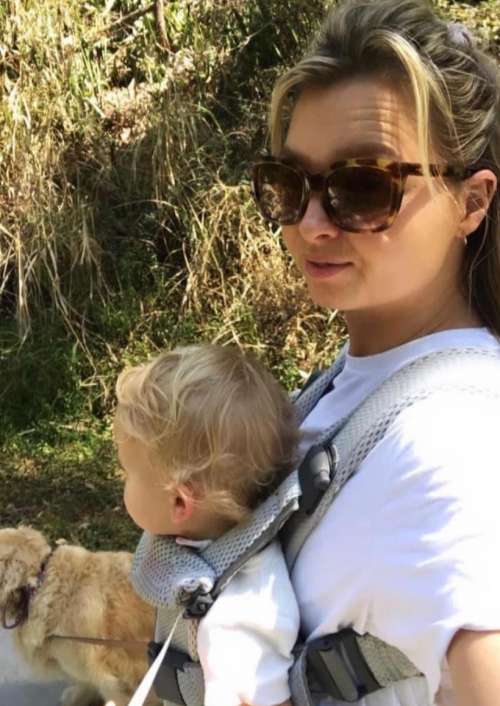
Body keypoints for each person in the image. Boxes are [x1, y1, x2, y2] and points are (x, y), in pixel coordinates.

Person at [250, 1, 500, 704]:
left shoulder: (450, 445)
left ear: (471, 203)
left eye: (363, 186)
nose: (311, 223)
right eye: (290, 183)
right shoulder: (354, 388)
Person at [113, 343, 300, 706]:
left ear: (180, 502)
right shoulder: (212, 552)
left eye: (127, 474)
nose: (124, 483)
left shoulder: (233, 618)